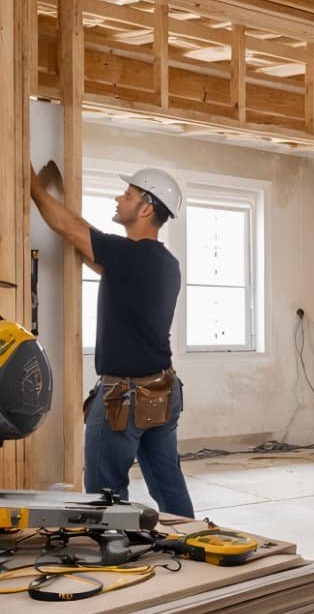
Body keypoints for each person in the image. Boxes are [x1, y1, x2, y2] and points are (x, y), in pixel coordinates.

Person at [28, 161, 194, 517]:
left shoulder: (128, 256)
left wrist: (34, 187)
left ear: (146, 207)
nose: (119, 198)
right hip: (162, 390)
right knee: (168, 484)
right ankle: (191, 548)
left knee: (105, 495)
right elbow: (84, 238)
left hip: (125, 398)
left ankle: (114, 561)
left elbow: (70, 230)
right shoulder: (161, 262)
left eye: (128, 194)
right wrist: (57, 201)